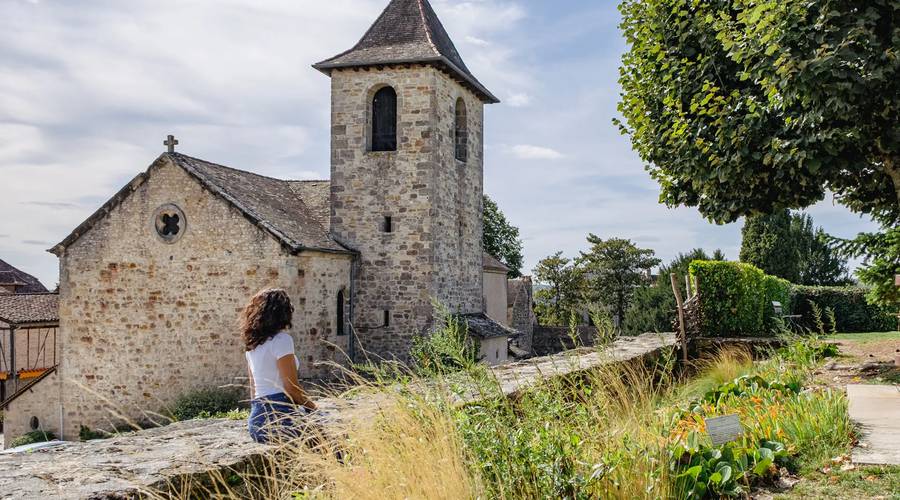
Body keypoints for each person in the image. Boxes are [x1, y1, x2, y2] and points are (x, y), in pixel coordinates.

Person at [241, 288, 317, 443]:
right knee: (332, 444)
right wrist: (314, 409)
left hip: (256, 421)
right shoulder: (282, 340)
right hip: (279, 416)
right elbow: (291, 389)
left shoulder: (252, 346)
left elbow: (254, 390)